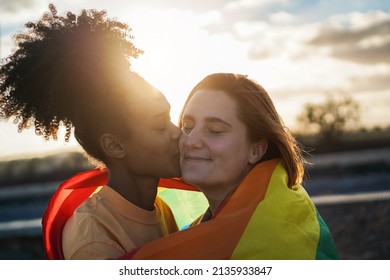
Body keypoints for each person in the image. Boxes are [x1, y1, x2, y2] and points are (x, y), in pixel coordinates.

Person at [0, 5, 181, 259]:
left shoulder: (160, 209)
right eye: (160, 126)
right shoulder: (93, 241)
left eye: (170, 119)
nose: (178, 134)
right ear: (115, 146)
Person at [120, 73, 339, 260]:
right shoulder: (208, 225)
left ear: (256, 149)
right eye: (187, 126)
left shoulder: (278, 237)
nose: (191, 140)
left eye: (215, 130)